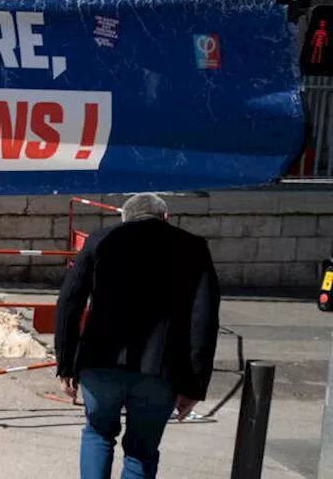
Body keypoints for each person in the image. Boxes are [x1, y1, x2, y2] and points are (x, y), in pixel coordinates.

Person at [55, 193, 221, 478]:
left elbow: (70, 302)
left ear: (124, 218)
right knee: (142, 449)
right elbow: (204, 318)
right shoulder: (193, 247)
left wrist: (66, 363)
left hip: (100, 361)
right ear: (165, 217)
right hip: (161, 370)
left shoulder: (101, 240)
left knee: (97, 433)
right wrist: (194, 384)